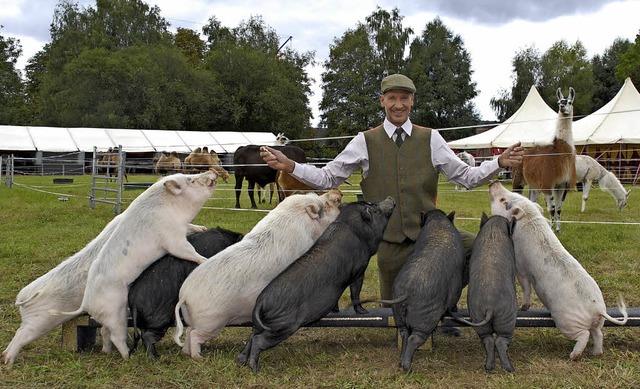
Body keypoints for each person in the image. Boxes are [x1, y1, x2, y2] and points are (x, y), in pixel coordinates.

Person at [261, 73, 524, 301]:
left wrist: (499, 161)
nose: (398, 105)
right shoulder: (364, 141)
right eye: (392, 98)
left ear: (412, 101)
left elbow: (466, 177)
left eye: (404, 98)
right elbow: (328, 177)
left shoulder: (431, 138)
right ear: (382, 101)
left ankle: (442, 299)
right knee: (394, 310)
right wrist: (290, 165)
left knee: (478, 246)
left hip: (429, 235)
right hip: (388, 241)